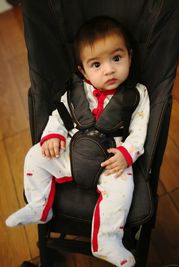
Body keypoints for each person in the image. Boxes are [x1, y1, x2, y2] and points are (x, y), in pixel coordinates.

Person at [6, 16, 150, 267]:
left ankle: (106, 240)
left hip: (110, 160)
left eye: (117, 59)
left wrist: (126, 153)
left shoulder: (137, 94)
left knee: (122, 188)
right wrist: (53, 136)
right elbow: (58, 117)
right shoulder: (74, 93)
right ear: (82, 71)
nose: (109, 70)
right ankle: (40, 205)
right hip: (72, 151)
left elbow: (139, 130)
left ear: (130, 56)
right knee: (35, 156)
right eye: (96, 64)